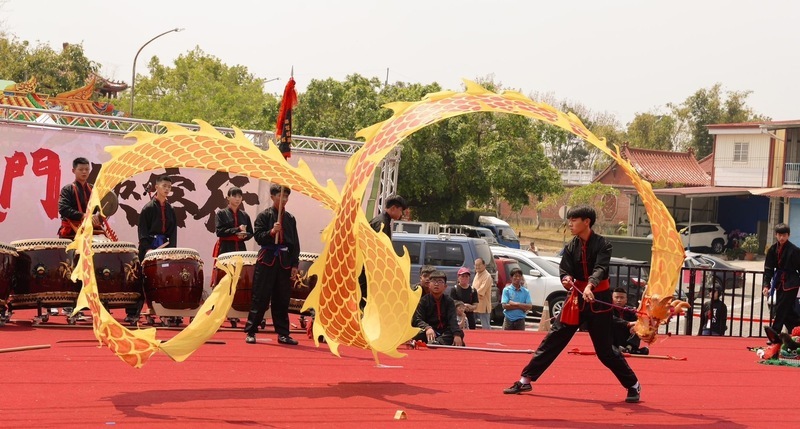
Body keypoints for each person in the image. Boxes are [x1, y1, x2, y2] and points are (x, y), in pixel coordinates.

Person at [503, 205, 641, 404]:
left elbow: (601, 268)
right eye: (569, 220)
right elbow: (564, 270)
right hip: (576, 300)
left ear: (587, 222)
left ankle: (633, 385)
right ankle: (525, 379)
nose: (570, 224)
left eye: (574, 220)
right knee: (554, 338)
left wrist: (590, 286)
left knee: (605, 351)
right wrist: (566, 278)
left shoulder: (603, 244)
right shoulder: (570, 246)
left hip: (598, 299)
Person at [244, 184, 300, 345]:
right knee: (260, 296)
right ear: (272, 197)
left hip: (284, 261)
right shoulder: (264, 216)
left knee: (282, 298)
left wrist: (294, 264)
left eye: (286, 197)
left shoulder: (290, 219)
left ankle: (283, 333)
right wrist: (271, 232)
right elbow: (259, 237)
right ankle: (251, 330)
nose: (284, 199)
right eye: (281, 196)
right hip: (267, 259)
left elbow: (295, 243)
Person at [125, 175, 177, 325]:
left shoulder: (170, 209)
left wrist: (172, 250)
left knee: (163, 279)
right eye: (164, 186)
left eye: (169, 187)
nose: (167, 189)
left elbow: (173, 232)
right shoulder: (148, 208)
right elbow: (142, 231)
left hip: (164, 247)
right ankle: (133, 313)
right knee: (143, 279)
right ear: (156, 187)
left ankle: (165, 310)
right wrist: (147, 248)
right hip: (149, 247)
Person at [360, 195, 408, 307]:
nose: (401, 215)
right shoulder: (381, 222)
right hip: (368, 268)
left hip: (370, 268)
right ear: (394, 208)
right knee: (365, 299)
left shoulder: (383, 220)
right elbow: (377, 248)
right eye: (401, 211)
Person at [763, 223, 800, 339]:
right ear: (776, 235)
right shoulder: (772, 249)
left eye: (784, 235)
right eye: (779, 235)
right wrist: (766, 285)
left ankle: (774, 333)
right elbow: (768, 268)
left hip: (792, 283)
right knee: (789, 313)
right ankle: (797, 330)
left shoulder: (794, 250)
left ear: (788, 235)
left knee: (781, 307)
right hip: (779, 282)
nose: (781, 238)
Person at [211, 187, 253, 284]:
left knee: (239, 278)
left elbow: (251, 233)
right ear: (228, 198)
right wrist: (237, 229)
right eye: (234, 196)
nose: (237, 199)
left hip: (240, 248)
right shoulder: (221, 213)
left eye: (239, 196)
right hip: (225, 248)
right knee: (224, 277)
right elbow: (219, 232)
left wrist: (244, 236)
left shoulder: (244, 215)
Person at [412, 270, 464, 346]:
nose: (436, 284)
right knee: (417, 333)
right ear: (429, 285)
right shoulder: (423, 300)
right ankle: (438, 342)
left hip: (444, 331)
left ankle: (437, 342)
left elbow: (452, 320)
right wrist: (427, 328)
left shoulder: (449, 301)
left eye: (440, 281)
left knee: (459, 333)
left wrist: (456, 335)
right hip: (428, 331)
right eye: (433, 281)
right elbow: (418, 319)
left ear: (445, 286)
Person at [57, 157, 104, 240]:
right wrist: (83, 215)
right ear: (73, 171)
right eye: (81, 169)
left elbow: (98, 208)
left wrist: (99, 215)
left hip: (90, 231)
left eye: (87, 169)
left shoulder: (93, 189)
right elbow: (63, 209)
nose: (84, 172)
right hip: (71, 232)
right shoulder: (67, 189)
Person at [611, 287, 648, 354]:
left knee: (638, 328)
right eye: (616, 297)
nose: (619, 300)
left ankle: (629, 348)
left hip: (627, 339)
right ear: (612, 299)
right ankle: (631, 351)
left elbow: (639, 321)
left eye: (622, 298)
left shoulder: (630, 310)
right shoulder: (608, 310)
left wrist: (635, 326)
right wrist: (628, 323)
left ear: (626, 300)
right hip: (614, 338)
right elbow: (612, 319)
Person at [473, 258, 493, 330]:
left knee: (486, 327)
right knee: (472, 325)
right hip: (475, 305)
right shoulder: (477, 274)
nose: (477, 267)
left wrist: (471, 294)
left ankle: (488, 339)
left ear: (484, 265)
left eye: (479, 265)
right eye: (476, 265)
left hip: (483, 306)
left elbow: (481, 291)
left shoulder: (487, 276)